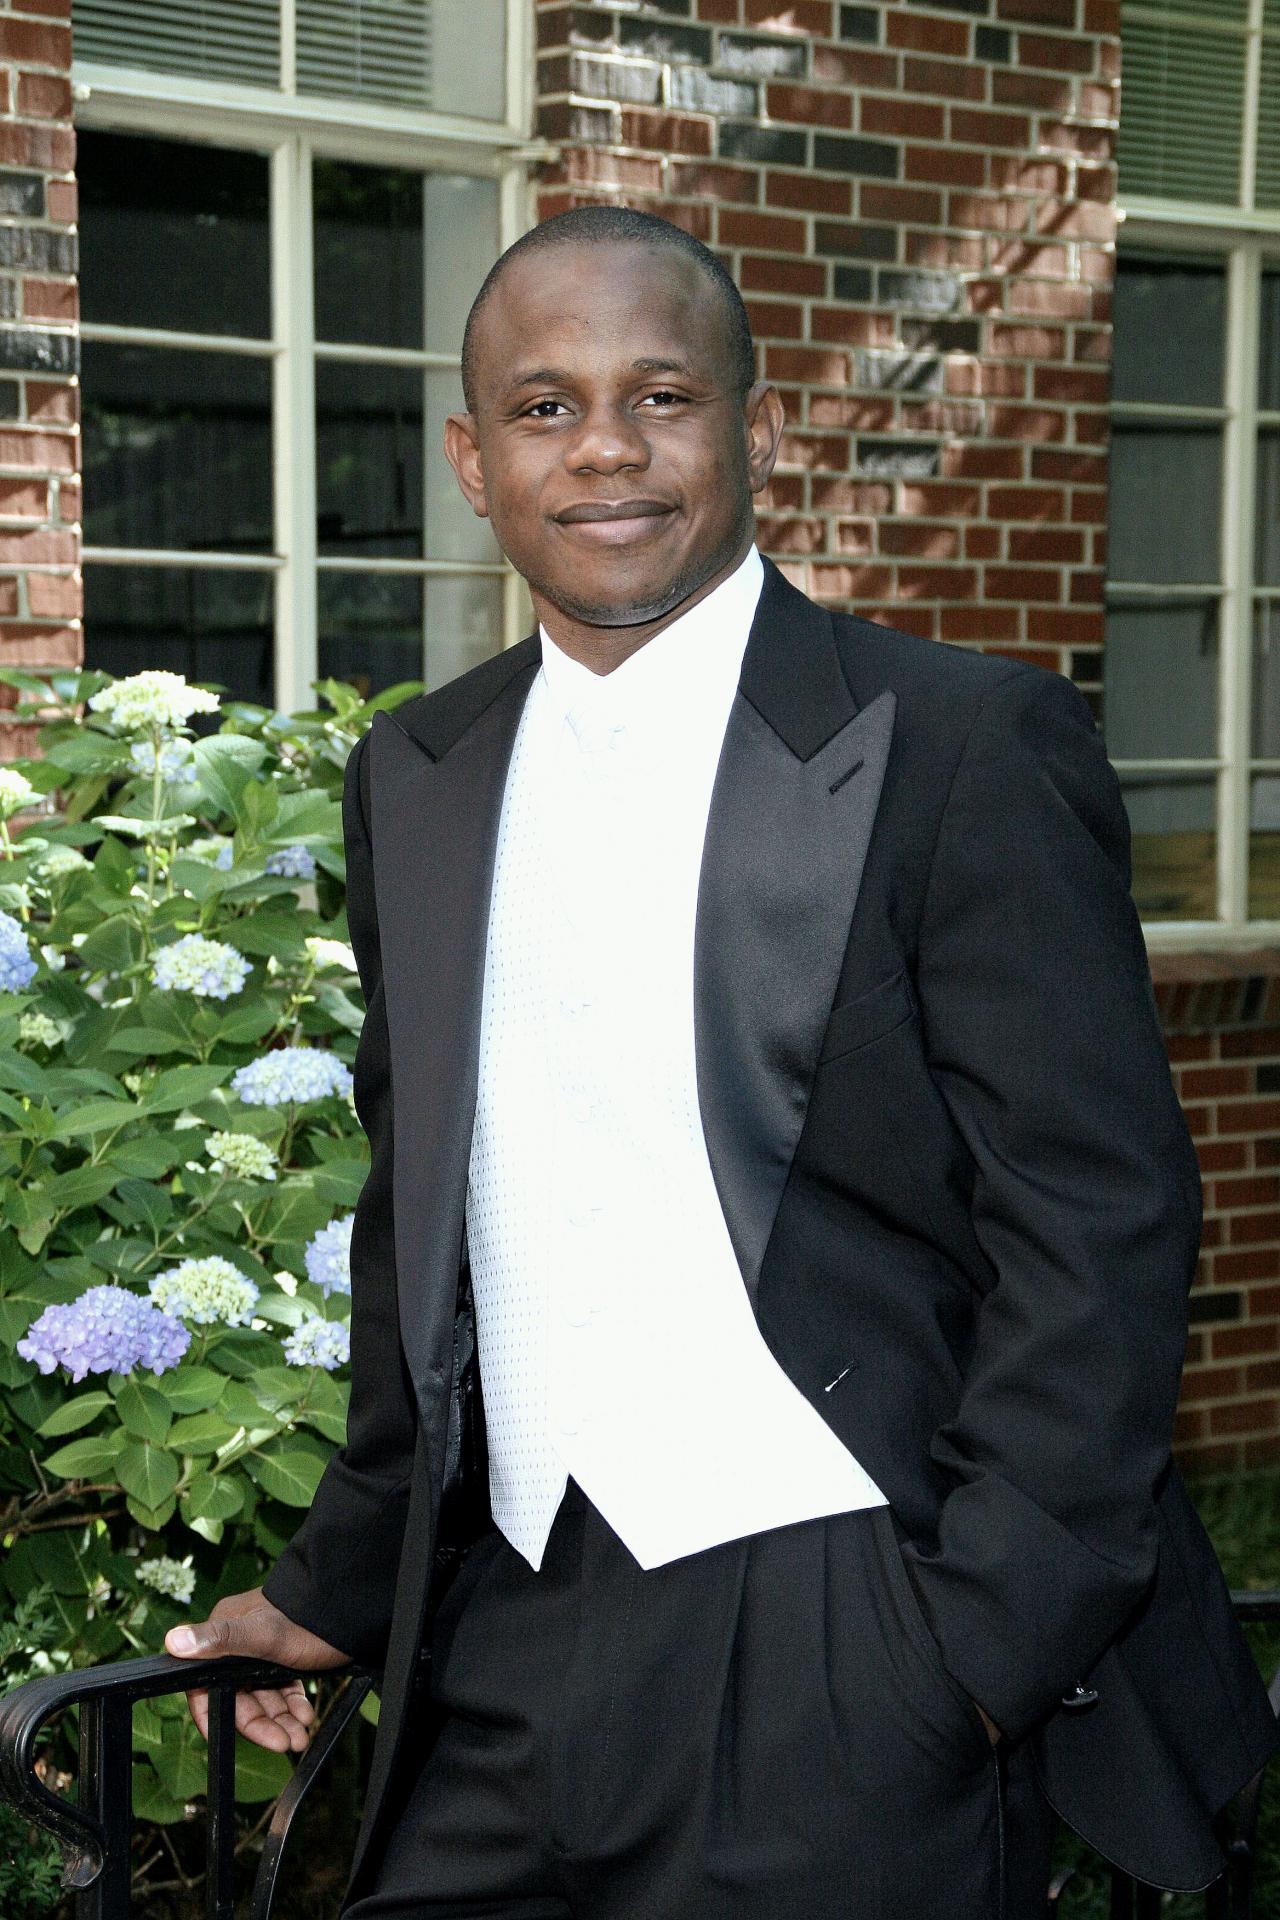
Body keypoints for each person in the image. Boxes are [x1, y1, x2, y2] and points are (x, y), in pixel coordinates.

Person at [166, 207, 1277, 1919]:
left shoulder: (960, 745)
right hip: (509, 1631)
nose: (604, 447)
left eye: (661, 396)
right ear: (470, 459)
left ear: (760, 432)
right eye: (544, 406)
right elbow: (431, 1223)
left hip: (843, 1641)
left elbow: (1098, 1224)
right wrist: (341, 1577)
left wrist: (976, 1652)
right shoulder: (420, 772)